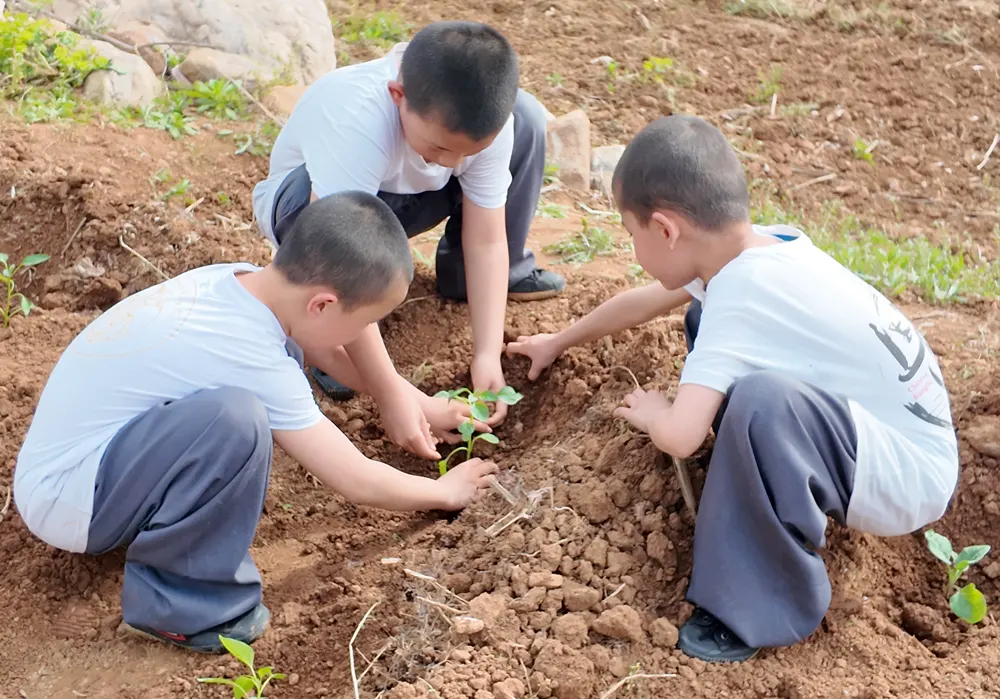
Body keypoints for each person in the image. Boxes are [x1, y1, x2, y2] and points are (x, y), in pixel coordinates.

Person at [506, 115, 959, 663]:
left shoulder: (743, 295)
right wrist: (560, 339)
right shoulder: (760, 246)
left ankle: (753, 610)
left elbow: (679, 437)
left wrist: (655, 412)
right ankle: (767, 474)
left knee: (760, 404)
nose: (632, 250)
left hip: (907, 478)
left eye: (631, 236)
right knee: (708, 325)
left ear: (666, 229)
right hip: (898, 435)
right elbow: (648, 299)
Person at [13, 192, 498, 653]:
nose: (358, 339)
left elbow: (322, 345)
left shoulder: (242, 283)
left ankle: (169, 522)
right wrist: (443, 493)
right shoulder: (246, 350)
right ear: (323, 304)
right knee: (234, 422)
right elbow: (353, 478)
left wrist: (415, 401)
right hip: (70, 503)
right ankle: (184, 609)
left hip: (78, 468)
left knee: (254, 390)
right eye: (360, 325)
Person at [252, 20, 565, 416]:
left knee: (525, 120)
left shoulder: (480, 125)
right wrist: (397, 397)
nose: (453, 162)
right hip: (309, 215)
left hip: (403, 203)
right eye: (440, 146)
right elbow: (340, 252)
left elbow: (487, 239)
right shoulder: (357, 116)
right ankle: (328, 336)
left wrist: (487, 355)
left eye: (466, 153)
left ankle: (460, 279)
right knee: (337, 244)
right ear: (397, 95)